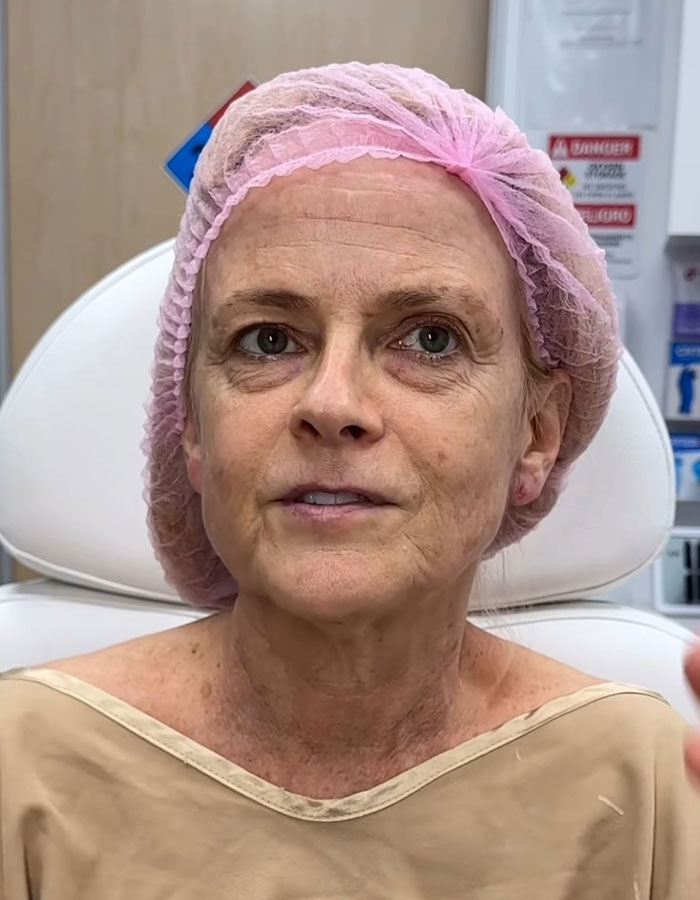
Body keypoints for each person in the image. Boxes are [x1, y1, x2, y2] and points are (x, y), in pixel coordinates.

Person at [1, 62, 699, 899]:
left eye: (431, 340)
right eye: (268, 341)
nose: (332, 405)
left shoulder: (647, 775)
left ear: (537, 436)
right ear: (189, 426)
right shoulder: (25, 763)